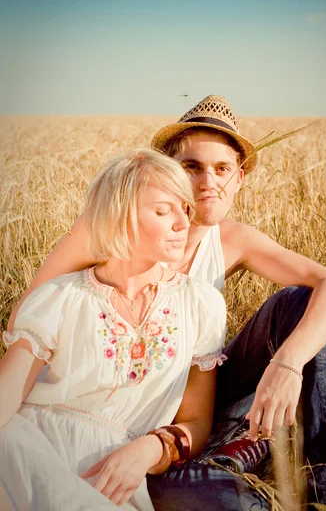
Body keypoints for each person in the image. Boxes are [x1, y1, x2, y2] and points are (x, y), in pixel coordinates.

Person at [6, 95, 326, 511]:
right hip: (107, 405)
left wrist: (288, 363)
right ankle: (229, 459)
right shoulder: (106, 231)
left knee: (299, 303)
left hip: (191, 398)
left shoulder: (231, 242)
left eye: (222, 169)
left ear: (239, 179)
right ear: (167, 170)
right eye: (192, 166)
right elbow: (31, 314)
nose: (209, 181)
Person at [0, 149, 228, 511]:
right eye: (163, 210)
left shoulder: (201, 305)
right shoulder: (60, 296)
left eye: (184, 208)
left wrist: (151, 449)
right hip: (29, 453)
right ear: (120, 216)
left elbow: (197, 421)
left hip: (118, 476)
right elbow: (5, 399)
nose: (184, 223)